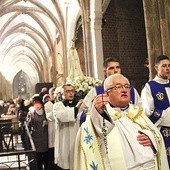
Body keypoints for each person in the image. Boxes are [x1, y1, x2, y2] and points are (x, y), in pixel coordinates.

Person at [74, 74, 169, 170]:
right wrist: (98, 112)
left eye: (126, 86)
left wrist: (151, 137)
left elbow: (156, 133)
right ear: (106, 93)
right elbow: (97, 133)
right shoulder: (101, 115)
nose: (124, 90)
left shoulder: (137, 112)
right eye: (118, 87)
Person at [79, 57, 141, 123]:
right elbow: (83, 114)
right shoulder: (96, 92)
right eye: (111, 68)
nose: (116, 70)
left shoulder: (132, 91)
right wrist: (96, 110)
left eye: (117, 67)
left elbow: (140, 112)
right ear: (105, 72)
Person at [141, 55, 170, 168]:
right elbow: (148, 111)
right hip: (161, 131)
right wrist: (167, 116)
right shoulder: (150, 87)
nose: (167, 68)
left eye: (169, 66)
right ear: (156, 68)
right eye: (164, 66)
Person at [53, 84, 83, 170]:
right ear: (62, 94)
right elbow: (61, 117)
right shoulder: (57, 105)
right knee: (65, 164)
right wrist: (76, 108)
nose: (71, 93)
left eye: (72, 91)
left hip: (77, 139)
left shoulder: (79, 105)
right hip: (64, 141)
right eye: (67, 91)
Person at [27, 96, 48, 170]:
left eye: (38, 104)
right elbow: (28, 126)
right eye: (35, 104)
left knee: (45, 156)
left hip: (45, 137)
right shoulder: (31, 112)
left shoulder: (45, 112)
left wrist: (47, 123)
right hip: (36, 137)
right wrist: (31, 119)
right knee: (37, 157)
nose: (37, 106)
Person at [44, 87, 59, 170]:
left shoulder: (60, 103)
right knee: (52, 152)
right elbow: (50, 116)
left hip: (60, 130)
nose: (54, 95)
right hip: (52, 130)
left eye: (55, 93)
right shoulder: (47, 105)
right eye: (52, 93)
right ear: (49, 95)